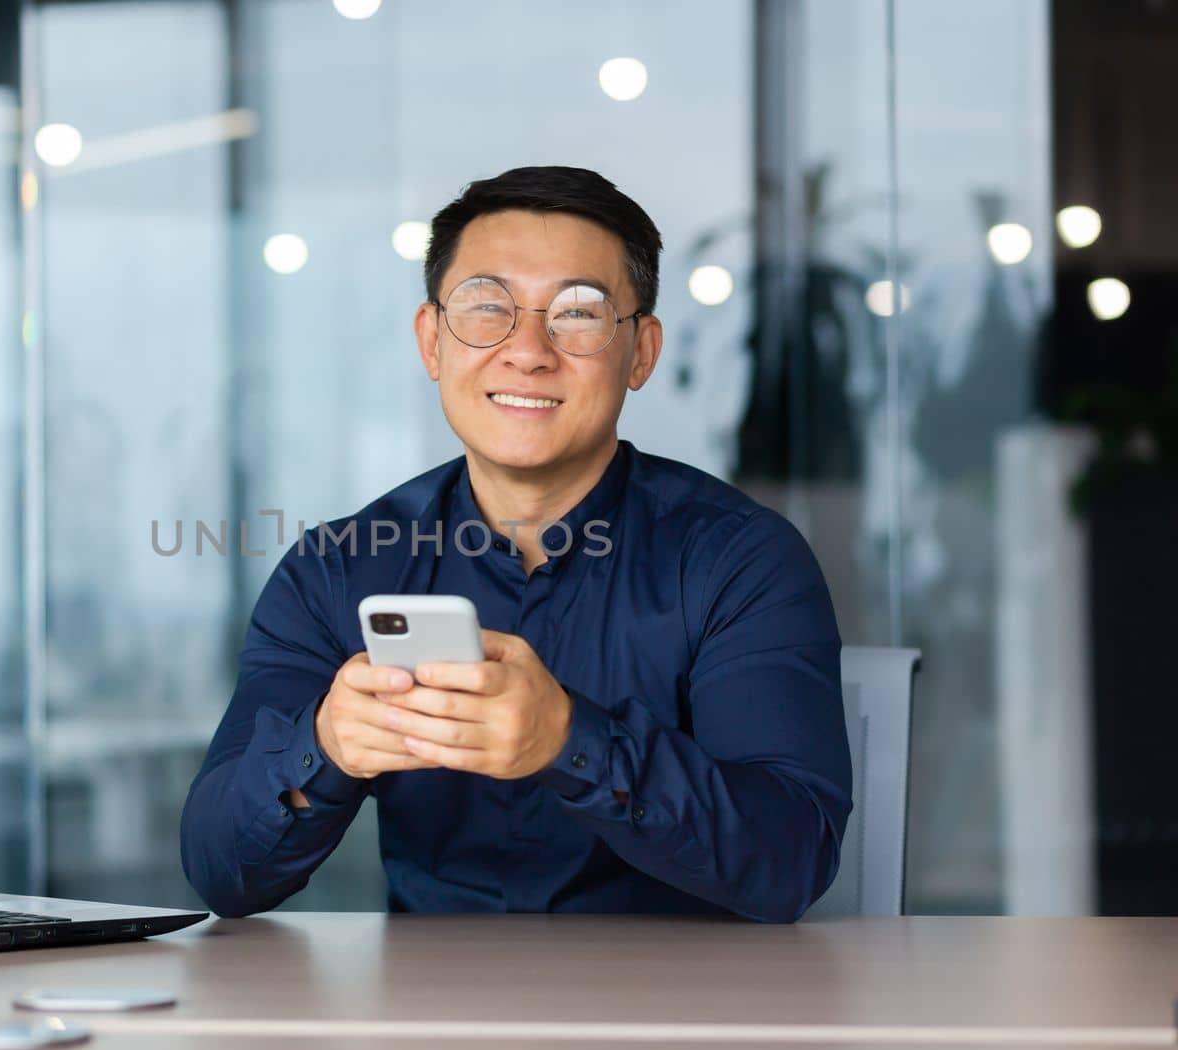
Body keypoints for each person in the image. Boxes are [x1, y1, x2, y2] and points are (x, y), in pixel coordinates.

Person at [180, 165, 851, 923]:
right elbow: (219, 871)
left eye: (578, 313)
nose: (528, 350)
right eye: (486, 307)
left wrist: (571, 741)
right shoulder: (338, 568)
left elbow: (793, 854)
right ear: (432, 341)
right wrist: (325, 745)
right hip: (431, 1028)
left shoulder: (741, 561)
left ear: (642, 352)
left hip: (681, 1024)